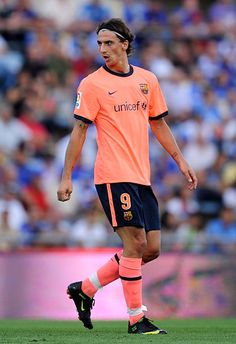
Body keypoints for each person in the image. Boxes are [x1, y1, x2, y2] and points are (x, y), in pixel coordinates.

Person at [57, 18, 198, 335]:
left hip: (141, 177)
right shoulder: (91, 84)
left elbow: (159, 124)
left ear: (124, 44)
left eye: (108, 43)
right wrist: (66, 175)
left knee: (150, 249)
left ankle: (86, 289)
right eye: (99, 44)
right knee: (134, 244)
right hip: (112, 175)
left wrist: (180, 160)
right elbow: (79, 130)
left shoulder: (147, 80)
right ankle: (136, 319)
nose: (102, 49)